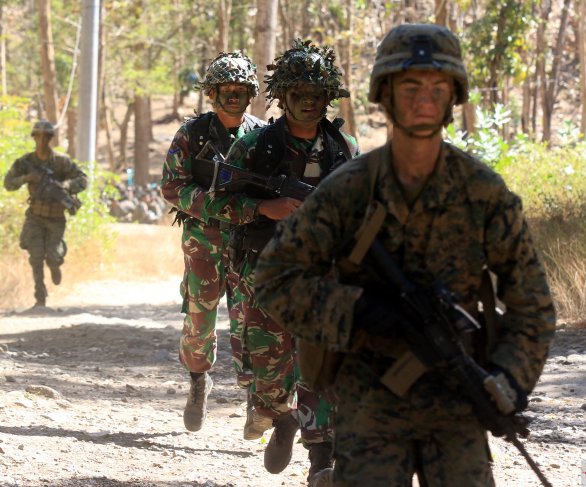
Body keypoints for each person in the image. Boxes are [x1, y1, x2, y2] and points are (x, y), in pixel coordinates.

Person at [253, 23, 556, 486]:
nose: (423, 99)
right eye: (409, 86)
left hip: (457, 406)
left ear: (454, 97)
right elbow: (276, 280)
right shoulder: (350, 189)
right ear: (386, 94)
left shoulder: (482, 192)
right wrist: (359, 311)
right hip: (367, 408)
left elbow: (532, 306)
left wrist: (507, 381)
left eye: (438, 87)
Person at [213, 39, 358, 483]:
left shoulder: (344, 148)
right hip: (264, 274)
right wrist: (264, 208)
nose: (310, 105)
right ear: (283, 97)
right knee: (269, 375)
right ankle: (280, 418)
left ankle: (322, 461)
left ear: (328, 98)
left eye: (318, 97)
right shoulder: (255, 147)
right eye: (300, 95)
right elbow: (217, 203)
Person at [160, 51, 264, 432]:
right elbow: (171, 186)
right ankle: (198, 381)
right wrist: (213, 205)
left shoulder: (263, 136)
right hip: (203, 241)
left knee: (250, 322)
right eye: (225, 90)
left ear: (250, 92)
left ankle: (256, 399)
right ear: (212, 93)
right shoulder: (192, 133)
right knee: (199, 320)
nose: (232, 97)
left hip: (247, 243)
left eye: (239, 90)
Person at [3, 120, 87, 309]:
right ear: (33, 137)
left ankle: (55, 263)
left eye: (46, 136)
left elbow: (82, 179)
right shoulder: (26, 162)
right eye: (38, 135)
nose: (42, 140)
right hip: (35, 215)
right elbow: (8, 183)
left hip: (56, 217)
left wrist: (65, 185)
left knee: (52, 256)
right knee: (35, 256)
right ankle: (40, 298)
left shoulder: (61, 162)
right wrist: (26, 178)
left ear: (51, 138)